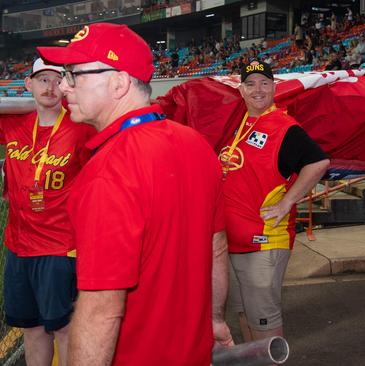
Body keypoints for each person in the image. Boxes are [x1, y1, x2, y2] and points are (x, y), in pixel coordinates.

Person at [37, 22, 233, 364]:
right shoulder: (196, 145)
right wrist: (214, 320)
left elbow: (101, 310)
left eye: (73, 74)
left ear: (118, 82)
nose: (63, 86)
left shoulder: (109, 171)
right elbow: (217, 249)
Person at [221, 59, 329, 341]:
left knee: (264, 324)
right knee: (245, 314)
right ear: (241, 90)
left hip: (263, 242)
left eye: (264, 83)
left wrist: (286, 203)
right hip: (234, 241)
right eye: (251, 84)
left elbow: (318, 162)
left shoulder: (283, 126)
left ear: (274, 87)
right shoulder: (243, 122)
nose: (258, 90)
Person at [0, 58, 94, 366]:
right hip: (18, 247)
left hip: (59, 248)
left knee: (65, 330)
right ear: (28, 85)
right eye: (42, 80)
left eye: (57, 80)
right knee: (32, 329)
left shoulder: (80, 128)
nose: (50, 87)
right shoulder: (14, 124)